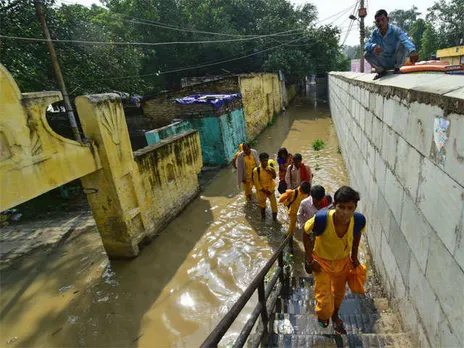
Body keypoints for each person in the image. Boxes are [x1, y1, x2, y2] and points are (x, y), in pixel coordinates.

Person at [303, 186, 366, 335]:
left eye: (350, 208)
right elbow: (305, 233)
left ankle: (335, 315)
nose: (345, 212)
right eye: (341, 207)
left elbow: (357, 236)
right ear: (334, 206)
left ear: (355, 207)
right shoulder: (321, 218)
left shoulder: (358, 220)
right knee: (324, 304)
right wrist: (309, 259)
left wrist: (354, 257)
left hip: (342, 262)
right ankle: (325, 315)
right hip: (321, 264)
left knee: (339, 295)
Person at [364, 9, 419, 80]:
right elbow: (367, 45)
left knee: (402, 44)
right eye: (378, 21)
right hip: (383, 62)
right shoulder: (375, 33)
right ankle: (381, 71)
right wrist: (373, 46)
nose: (380, 23)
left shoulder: (395, 30)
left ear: (387, 19)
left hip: (395, 60)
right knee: (366, 54)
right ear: (376, 23)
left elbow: (405, 39)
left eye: (382, 19)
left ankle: (397, 69)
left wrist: (412, 50)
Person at [253, 152, 278, 220]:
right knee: (263, 207)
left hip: (270, 189)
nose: (265, 162)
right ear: (260, 160)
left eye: (266, 160)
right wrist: (264, 191)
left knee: (274, 207)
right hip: (262, 191)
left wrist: (272, 172)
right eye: (263, 161)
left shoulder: (270, 168)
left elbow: (274, 177)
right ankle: (263, 218)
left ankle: (275, 221)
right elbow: (257, 183)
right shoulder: (256, 170)